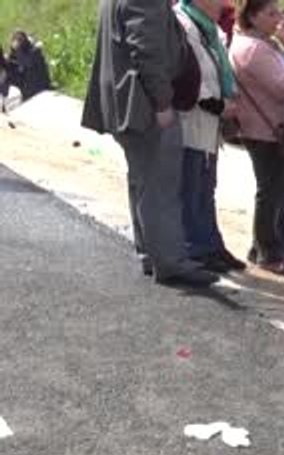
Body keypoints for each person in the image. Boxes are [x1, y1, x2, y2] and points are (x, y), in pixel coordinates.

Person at [82, 0, 218, 288]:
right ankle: (170, 262)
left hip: (126, 102)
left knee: (142, 181)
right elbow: (147, 51)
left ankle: (151, 252)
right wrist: (162, 102)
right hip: (144, 105)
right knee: (160, 185)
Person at [173, 0, 244, 274]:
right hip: (194, 116)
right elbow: (190, 72)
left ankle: (211, 244)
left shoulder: (210, 27)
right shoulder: (183, 23)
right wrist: (217, 104)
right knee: (192, 188)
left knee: (206, 187)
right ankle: (196, 248)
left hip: (210, 121)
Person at [230, 0, 284, 276]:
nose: (277, 18)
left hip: (262, 126)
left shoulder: (256, 43)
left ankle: (260, 247)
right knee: (271, 192)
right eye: (271, 13)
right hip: (265, 129)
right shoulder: (255, 49)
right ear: (253, 16)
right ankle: (268, 252)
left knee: (272, 190)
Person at [7, 31, 52, 101]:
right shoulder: (18, 52)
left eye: (19, 40)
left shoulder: (34, 52)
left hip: (38, 86)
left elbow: (27, 64)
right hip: (28, 85)